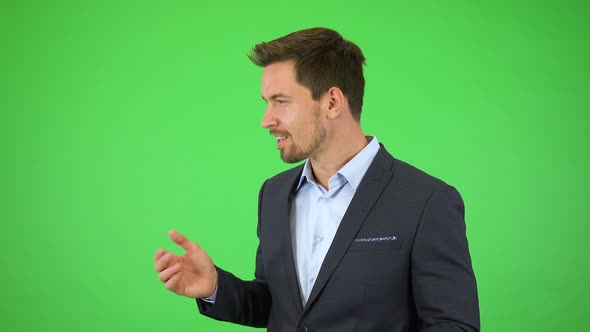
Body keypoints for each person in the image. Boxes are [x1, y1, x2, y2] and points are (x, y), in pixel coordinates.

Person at [154, 27, 480, 332]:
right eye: (266, 103)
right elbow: (279, 306)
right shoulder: (274, 193)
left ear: (332, 102)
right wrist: (214, 286)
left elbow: (453, 324)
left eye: (280, 101)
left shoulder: (427, 200)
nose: (266, 120)